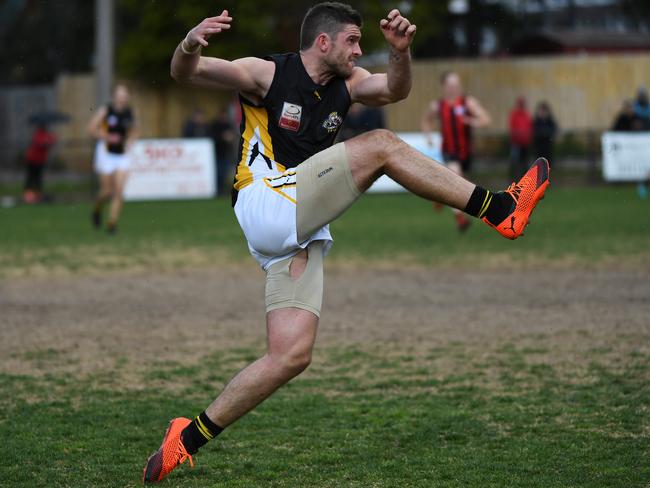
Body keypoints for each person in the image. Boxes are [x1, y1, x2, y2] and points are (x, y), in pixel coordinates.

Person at [142, 3, 550, 483]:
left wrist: (402, 54)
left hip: (295, 226)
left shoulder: (348, 85)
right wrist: (189, 42)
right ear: (324, 42)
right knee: (381, 146)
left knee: (290, 356)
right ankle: (500, 210)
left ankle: (183, 440)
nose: (360, 50)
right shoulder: (267, 73)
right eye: (353, 41)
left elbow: (394, 89)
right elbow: (185, 72)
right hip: (265, 199)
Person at [421, 71, 491, 232]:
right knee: (456, 178)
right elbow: (426, 121)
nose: (454, 88)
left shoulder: (468, 103)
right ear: (444, 86)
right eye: (451, 85)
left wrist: (471, 121)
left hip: (466, 152)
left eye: (456, 85)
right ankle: (461, 220)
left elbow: (486, 119)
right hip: (449, 152)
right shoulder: (437, 105)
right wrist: (429, 136)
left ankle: (440, 197)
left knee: (462, 184)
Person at [87, 84, 138, 234]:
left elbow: (135, 131)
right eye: (120, 94)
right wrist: (108, 137)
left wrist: (131, 140)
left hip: (122, 154)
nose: (123, 97)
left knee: (119, 190)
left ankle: (112, 223)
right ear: (114, 96)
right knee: (106, 191)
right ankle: (97, 209)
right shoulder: (106, 111)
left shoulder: (131, 112)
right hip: (106, 153)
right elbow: (91, 129)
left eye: (125, 94)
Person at [23, 123, 57, 203]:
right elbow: (39, 143)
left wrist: (51, 140)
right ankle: (28, 196)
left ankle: (37, 196)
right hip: (32, 160)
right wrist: (46, 142)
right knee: (31, 178)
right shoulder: (38, 134)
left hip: (40, 161)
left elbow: (53, 140)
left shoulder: (47, 135)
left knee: (38, 179)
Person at [211, 107, 237, 195]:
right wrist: (223, 137)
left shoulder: (229, 125)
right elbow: (213, 138)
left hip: (227, 153)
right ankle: (218, 190)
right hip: (217, 153)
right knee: (218, 173)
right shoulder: (215, 125)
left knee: (225, 173)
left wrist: (230, 138)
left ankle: (222, 190)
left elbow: (233, 137)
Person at [509, 97, 533, 180]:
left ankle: (524, 179)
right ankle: (514, 179)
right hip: (517, 142)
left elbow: (529, 127)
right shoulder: (515, 114)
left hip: (525, 142)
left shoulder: (526, 114)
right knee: (515, 162)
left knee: (525, 163)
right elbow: (513, 127)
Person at [533, 101, 557, 166]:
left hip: (547, 146)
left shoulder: (550, 120)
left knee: (547, 162)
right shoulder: (536, 121)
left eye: (544, 110)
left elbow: (554, 130)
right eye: (541, 110)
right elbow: (534, 131)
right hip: (539, 146)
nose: (543, 112)